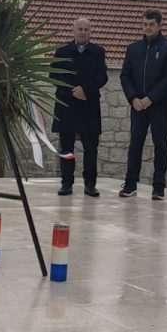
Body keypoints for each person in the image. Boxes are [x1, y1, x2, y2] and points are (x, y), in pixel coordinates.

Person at [118, 9, 167, 200]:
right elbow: (125, 76)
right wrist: (133, 98)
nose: (148, 28)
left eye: (151, 24)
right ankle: (130, 185)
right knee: (135, 144)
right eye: (145, 24)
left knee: (160, 144)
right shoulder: (133, 48)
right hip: (137, 105)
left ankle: (159, 188)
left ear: (159, 26)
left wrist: (150, 98)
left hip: (159, 106)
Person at [51, 17, 109, 197]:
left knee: (91, 149)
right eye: (80, 29)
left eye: (86, 29)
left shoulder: (98, 52)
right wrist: (72, 91)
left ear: (90, 32)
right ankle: (66, 183)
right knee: (67, 148)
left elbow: (102, 77)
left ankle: (90, 185)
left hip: (89, 107)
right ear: (74, 31)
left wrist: (85, 90)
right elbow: (54, 76)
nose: (83, 32)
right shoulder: (62, 52)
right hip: (67, 106)